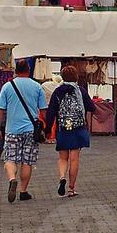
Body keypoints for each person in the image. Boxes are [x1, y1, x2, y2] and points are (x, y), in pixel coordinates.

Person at [0, 59, 46, 203]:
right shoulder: (37, 87)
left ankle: (12, 179)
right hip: (31, 129)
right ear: (29, 70)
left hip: (12, 130)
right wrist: (46, 126)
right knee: (27, 161)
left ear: (15, 70)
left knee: (10, 159)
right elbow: (43, 110)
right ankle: (23, 191)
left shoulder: (7, 86)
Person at [47, 65, 98, 198]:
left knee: (63, 158)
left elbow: (51, 112)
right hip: (78, 128)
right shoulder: (81, 91)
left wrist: (47, 130)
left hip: (63, 128)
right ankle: (71, 189)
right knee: (74, 159)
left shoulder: (57, 92)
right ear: (76, 77)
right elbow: (92, 107)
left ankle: (62, 177)